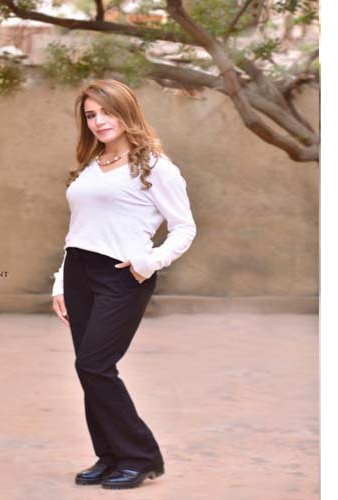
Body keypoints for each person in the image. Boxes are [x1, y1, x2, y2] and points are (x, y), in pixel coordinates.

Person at [50, 79, 197, 490]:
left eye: (107, 112)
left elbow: (184, 227)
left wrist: (150, 262)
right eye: (91, 115)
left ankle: (141, 456)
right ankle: (110, 455)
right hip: (79, 272)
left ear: (126, 112)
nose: (99, 121)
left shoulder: (155, 167)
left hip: (121, 275)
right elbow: (79, 229)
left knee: (94, 365)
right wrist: (60, 281)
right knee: (90, 369)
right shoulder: (91, 165)